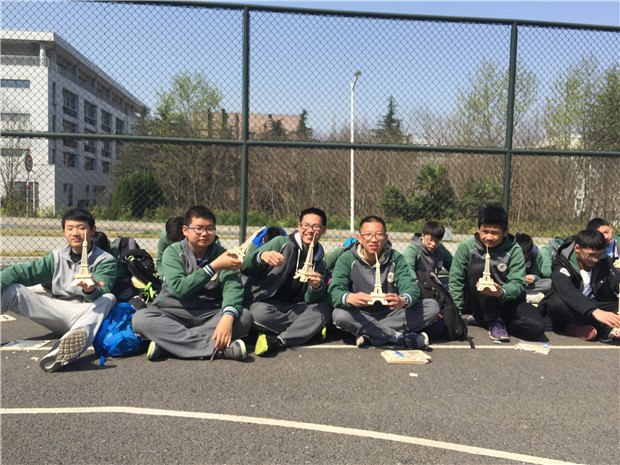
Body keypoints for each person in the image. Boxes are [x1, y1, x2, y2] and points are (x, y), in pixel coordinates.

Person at [0, 208, 117, 372]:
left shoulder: (106, 260)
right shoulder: (56, 256)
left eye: (81, 228)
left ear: (92, 231)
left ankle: (62, 351)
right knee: (13, 290)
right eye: (70, 228)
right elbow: (22, 272)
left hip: (86, 312)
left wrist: (90, 290)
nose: (75, 233)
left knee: (109, 298)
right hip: (56, 311)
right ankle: (72, 341)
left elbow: (102, 291)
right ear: (64, 232)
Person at [132, 205, 253, 361]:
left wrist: (228, 317)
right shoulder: (172, 252)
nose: (205, 233)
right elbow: (180, 288)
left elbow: (233, 287)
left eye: (210, 228)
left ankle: (169, 345)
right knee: (141, 319)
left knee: (244, 317)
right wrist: (213, 267)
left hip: (209, 313)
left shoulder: (222, 254)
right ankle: (219, 350)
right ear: (185, 230)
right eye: (198, 228)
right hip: (174, 312)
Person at [329, 215, 440, 349]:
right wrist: (350, 297)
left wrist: (402, 300)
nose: (373, 239)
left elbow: (410, 285)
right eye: (368, 235)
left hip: (391, 313)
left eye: (379, 234)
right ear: (360, 238)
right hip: (360, 313)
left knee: (432, 307)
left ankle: (370, 334)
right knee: (339, 314)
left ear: (386, 237)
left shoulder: (396, 257)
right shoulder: (347, 258)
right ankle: (398, 338)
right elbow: (335, 290)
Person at [242, 208, 331, 356]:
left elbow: (311, 300)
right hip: (263, 305)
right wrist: (261, 257)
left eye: (316, 226)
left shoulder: (319, 261)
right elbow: (245, 267)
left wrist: (316, 287)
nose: (310, 230)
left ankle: (278, 340)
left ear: (323, 230)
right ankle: (306, 330)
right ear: (299, 226)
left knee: (325, 309)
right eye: (306, 225)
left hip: (292, 308)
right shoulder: (281, 243)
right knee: (257, 314)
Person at [448, 205, 546, 342]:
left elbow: (518, 283)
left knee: (536, 327)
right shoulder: (467, 246)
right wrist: (456, 312)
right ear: (478, 229)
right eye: (485, 231)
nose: (489, 237)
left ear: (505, 232)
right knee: (479, 266)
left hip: (507, 301)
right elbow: (456, 280)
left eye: (494, 233)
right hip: (478, 299)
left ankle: (495, 321)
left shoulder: (514, 249)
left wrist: (501, 292)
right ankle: (491, 319)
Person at [541, 229, 620, 341]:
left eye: (600, 254)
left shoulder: (604, 260)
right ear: (577, 248)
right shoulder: (561, 263)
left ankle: (584, 327)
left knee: (616, 305)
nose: (595, 260)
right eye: (591, 255)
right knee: (556, 303)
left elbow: (615, 281)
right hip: (573, 306)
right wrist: (594, 311)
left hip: (594, 304)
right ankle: (602, 328)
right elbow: (566, 291)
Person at [403, 221, 453, 285]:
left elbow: (454, 267)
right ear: (423, 236)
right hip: (417, 284)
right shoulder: (412, 250)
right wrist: (414, 285)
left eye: (437, 241)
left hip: (433, 284)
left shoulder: (441, 249)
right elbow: (408, 270)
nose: (433, 244)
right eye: (430, 240)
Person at [514, 232, 552, 301]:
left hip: (526, 285)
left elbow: (537, 275)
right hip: (510, 283)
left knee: (549, 283)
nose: (523, 258)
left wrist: (534, 277)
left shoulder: (535, 253)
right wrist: (520, 278)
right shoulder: (507, 252)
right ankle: (526, 297)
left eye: (526, 255)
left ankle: (521, 295)